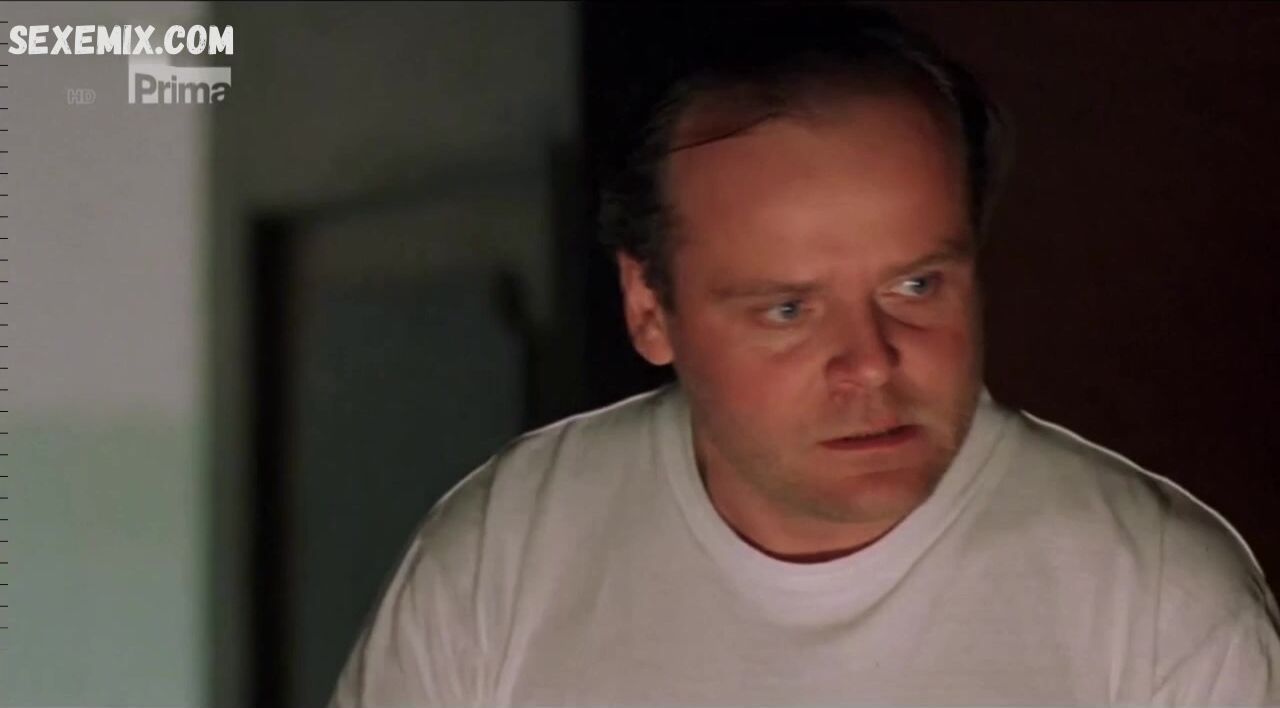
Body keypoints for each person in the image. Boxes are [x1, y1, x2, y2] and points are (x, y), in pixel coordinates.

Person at [330, 4, 1280, 705]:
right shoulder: (506, 557)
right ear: (649, 307)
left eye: (917, 286)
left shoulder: (1157, 602)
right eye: (788, 310)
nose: (870, 364)